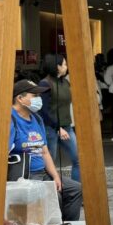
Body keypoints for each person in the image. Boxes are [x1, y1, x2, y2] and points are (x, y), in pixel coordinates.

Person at [8, 79, 82, 221]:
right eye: (34, 96)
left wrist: (55, 176)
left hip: (43, 173)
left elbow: (44, 152)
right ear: (20, 98)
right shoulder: (10, 119)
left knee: (75, 189)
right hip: (25, 176)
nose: (38, 99)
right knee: (55, 197)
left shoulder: (37, 118)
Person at [39, 53, 80, 182]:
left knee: (77, 159)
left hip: (67, 126)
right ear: (57, 66)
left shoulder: (66, 82)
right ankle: (52, 194)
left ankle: (76, 191)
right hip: (50, 128)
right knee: (50, 162)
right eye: (64, 64)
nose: (66, 67)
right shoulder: (45, 83)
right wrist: (58, 127)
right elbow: (43, 110)